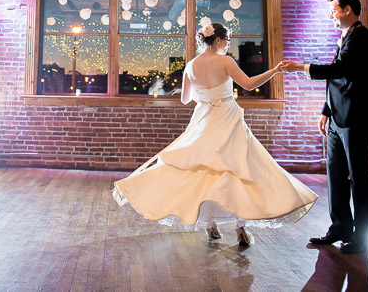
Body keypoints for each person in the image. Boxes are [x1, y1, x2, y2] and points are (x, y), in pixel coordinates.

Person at [113, 23, 318, 246]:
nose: (228, 44)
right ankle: (240, 227)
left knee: (204, 171)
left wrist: (198, 92)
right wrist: (274, 71)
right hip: (227, 118)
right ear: (218, 40)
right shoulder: (226, 61)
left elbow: (184, 100)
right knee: (237, 168)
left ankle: (210, 225)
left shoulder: (191, 65)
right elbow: (248, 84)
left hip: (203, 118)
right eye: (227, 40)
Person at [280, 0, 368, 255]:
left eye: (334, 11)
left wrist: (300, 68)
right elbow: (338, 79)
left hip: (357, 118)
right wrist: (325, 111)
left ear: (347, 10)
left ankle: (362, 237)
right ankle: (340, 228)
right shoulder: (347, 37)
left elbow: (340, 69)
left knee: (359, 178)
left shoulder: (361, 37)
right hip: (338, 118)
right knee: (335, 175)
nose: (331, 16)